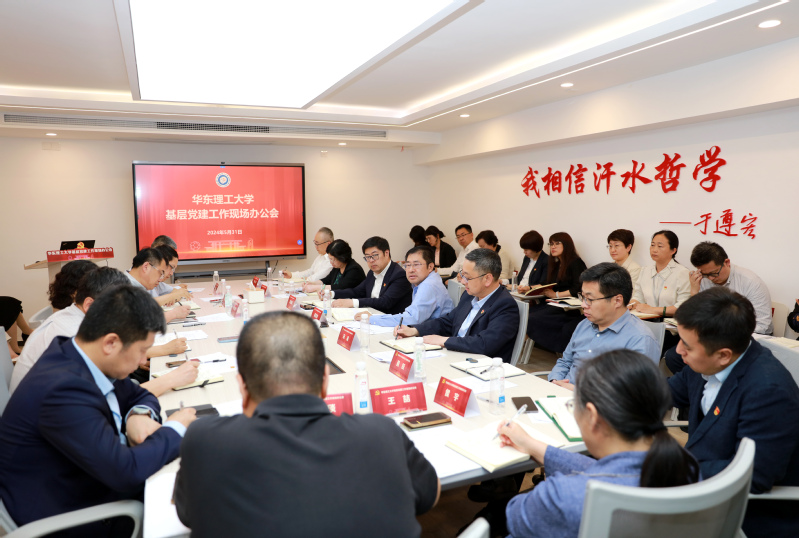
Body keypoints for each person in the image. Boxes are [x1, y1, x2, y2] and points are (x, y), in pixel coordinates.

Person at [173, 311, 439, 537]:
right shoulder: (381, 433)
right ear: (325, 380)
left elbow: (187, 514)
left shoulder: (204, 441)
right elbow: (430, 494)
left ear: (242, 386)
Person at [0, 285, 197, 534]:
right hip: (72, 516)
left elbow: (138, 394)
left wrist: (139, 414)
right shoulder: (62, 390)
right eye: (141, 351)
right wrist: (176, 428)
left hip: (92, 476)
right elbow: (125, 471)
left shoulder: (81, 355)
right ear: (111, 342)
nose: (142, 361)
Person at [502, 349, 699, 538]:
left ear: (592, 416)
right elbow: (610, 470)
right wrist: (534, 445)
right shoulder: (687, 468)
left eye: (572, 405)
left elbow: (515, 516)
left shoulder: (564, 495)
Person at [669, 288, 799, 537]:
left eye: (687, 345)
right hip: (704, 492)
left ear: (723, 355)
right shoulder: (706, 361)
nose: (678, 351)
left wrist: (674, 469)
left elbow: (753, 476)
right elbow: (664, 392)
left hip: (747, 516)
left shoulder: (768, 391)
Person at [9, 267, 198, 396]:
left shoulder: (75, 319)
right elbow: (113, 400)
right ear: (89, 304)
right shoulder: (73, 338)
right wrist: (171, 379)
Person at [664, 241, 773, 374]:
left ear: (727, 262)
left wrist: (724, 336)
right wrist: (694, 292)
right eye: (705, 274)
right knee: (674, 357)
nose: (711, 278)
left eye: (714, 273)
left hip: (747, 337)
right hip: (714, 336)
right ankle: (703, 384)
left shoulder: (751, 282)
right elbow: (696, 318)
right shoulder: (702, 279)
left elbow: (762, 325)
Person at [548, 263, 661, 389]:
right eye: (583, 297)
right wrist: (555, 381)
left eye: (590, 299)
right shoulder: (584, 324)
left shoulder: (640, 339)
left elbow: (632, 393)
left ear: (617, 301)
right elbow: (565, 362)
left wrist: (579, 392)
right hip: (562, 394)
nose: (583, 305)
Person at [396, 249, 520, 362]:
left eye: (468, 277)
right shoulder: (469, 295)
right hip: (455, 356)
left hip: (481, 365)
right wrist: (415, 330)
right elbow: (448, 321)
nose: (462, 281)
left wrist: (444, 340)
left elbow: (484, 343)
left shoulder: (505, 305)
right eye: (462, 275)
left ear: (487, 279)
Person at [358, 245, 454, 327]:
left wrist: (372, 319)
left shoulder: (428, 285)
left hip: (435, 335)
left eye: (416, 264)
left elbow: (411, 319)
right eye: (408, 265)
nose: (411, 270)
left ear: (430, 267)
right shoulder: (427, 280)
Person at [526, 232, 587, 354]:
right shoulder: (556, 263)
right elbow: (546, 283)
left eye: (557, 243)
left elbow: (579, 288)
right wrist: (528, 288)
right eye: (551, 244)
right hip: (553, 304)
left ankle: (557, 349)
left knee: (532, 318)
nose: (553, 247)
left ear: (567, 245)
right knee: (526, 314)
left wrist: (556, 295)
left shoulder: (576, 262)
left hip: (567, 308)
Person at [330, 236, 412, 315]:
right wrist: (331, 293)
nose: (371, 260)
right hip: (371, 316)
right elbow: (357, 292)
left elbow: (385, 302)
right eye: (368, 257)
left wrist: (353, 302)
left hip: (390, 321)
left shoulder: (399, 274)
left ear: (386, 253)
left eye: (375, 255)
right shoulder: (371, 272)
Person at [629, 230, 690, 318]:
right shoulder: (645, 270)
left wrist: (652, 309)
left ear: (673, 250)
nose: (654, 250)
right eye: (652, 245)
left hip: (671, 324)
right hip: (646, 321)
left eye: (660, 246)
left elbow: (683, 307)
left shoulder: (682, 273)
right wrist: (631, 305)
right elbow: (639, 297)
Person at [126, 248, 191, 323]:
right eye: (161, 273)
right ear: (146, 267)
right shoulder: (123, 287)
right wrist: (174, 314)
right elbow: (142, 322)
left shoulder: (136, 284)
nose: (160, 279)